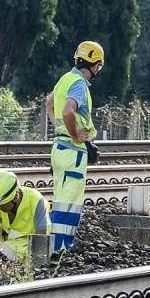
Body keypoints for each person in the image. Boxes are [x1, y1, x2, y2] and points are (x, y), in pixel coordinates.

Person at [47, 40, 104, 254]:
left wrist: (60, 130)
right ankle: (62, 248)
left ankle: (54, 245)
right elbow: (68, 110)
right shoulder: (79, 84)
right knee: (69, 201)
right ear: (96, 64)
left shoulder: (64, 79)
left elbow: (50, 104)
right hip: (72, 151)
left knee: (59, 198)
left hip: (59, 148)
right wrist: (75, 135)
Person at [0, 168, 50, 268]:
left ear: (15, 197)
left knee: (3, 252)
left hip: (27, 243)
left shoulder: (36, 201)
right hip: (6, 241)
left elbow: (41, 244)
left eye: (2, 204)